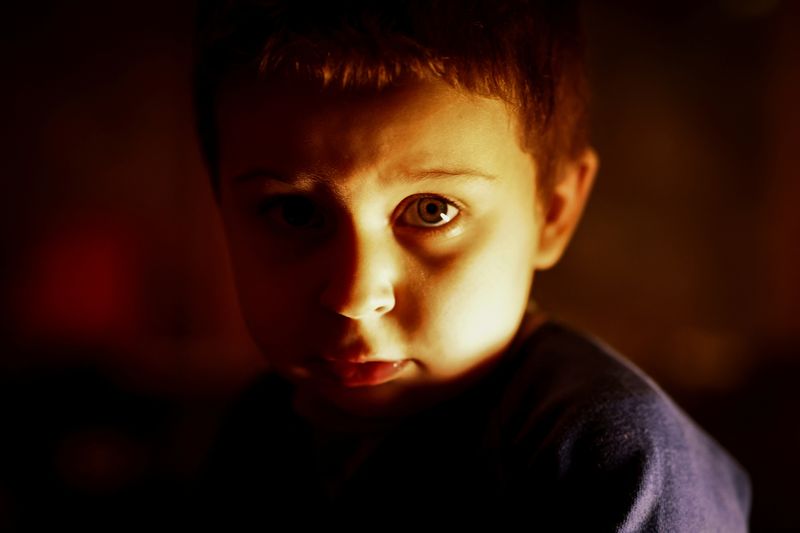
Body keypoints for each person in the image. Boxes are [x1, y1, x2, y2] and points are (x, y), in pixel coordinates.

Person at [190, 0, 751, 529]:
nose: (355, 296)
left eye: (432, 211)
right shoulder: (263, 428)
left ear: (553, 212)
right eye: (293, 212)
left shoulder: (612, 458)